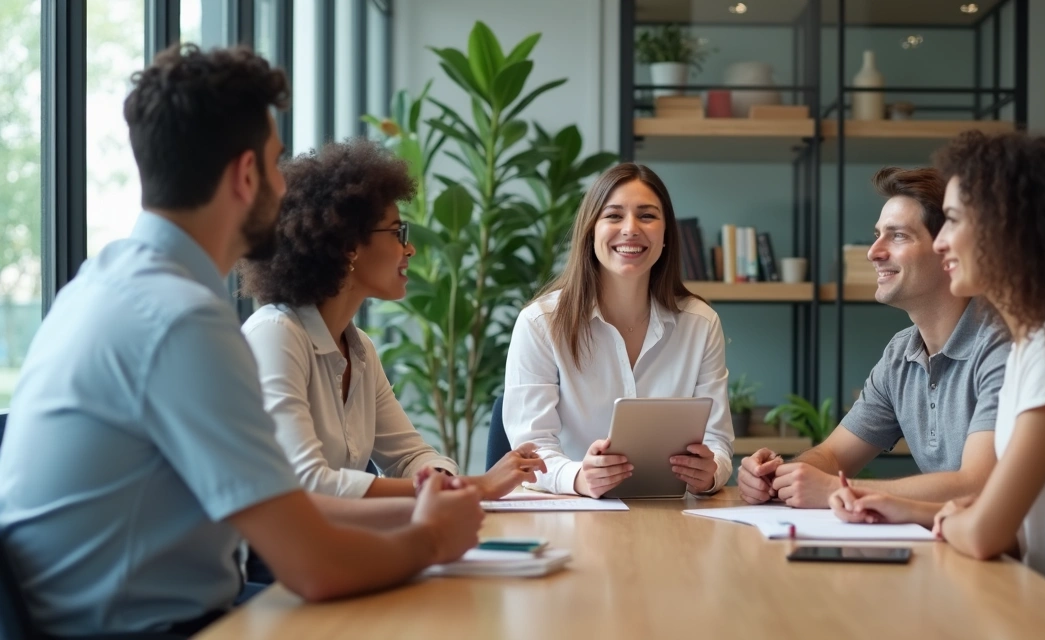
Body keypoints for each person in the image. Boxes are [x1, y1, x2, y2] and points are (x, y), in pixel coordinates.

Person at [0, 45, 482, 637]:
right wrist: (432, 537)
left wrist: (422, 514)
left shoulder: (102, 287)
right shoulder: (182, 320)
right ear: (246, 174)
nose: (286, 191)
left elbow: (293, 511)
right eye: (278, 166)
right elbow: (314, 566)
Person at [829, 131, 1045, 624]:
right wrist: (906, 508)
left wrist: (959, 518)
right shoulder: (1033, 346)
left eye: (953, 221)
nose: (941, 241)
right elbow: (1022, 529)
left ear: (1011, 229)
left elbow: (986, 534)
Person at [237, 139, 545, 501]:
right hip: (276, 556)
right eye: (398, 232)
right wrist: (473, 487)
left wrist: (443, 482)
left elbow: (411, 457)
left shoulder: (359, 348)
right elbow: (308, 483)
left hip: (343, 543)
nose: (409, 248)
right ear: (349, 245)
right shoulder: (276, 336)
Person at [737, 167, 1009, 508]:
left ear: (948, 248)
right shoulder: (900, 354)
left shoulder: (1000, 344)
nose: (873, 252)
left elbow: (979, 486)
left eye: (897, 236)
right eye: (877, 234)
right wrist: (780, 477)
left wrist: (841, 491)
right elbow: (833, 455)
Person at [503, 163, 734, 498]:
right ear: (591, 231)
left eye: (647, 216)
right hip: (571, 514)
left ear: (666, 234)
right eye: (613, 216)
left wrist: (711, 473)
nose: (630, 229)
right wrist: (579, 477)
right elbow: (532, 450)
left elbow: (718, 442)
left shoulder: (700, 323)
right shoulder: (540, 323)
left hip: (672, 516)